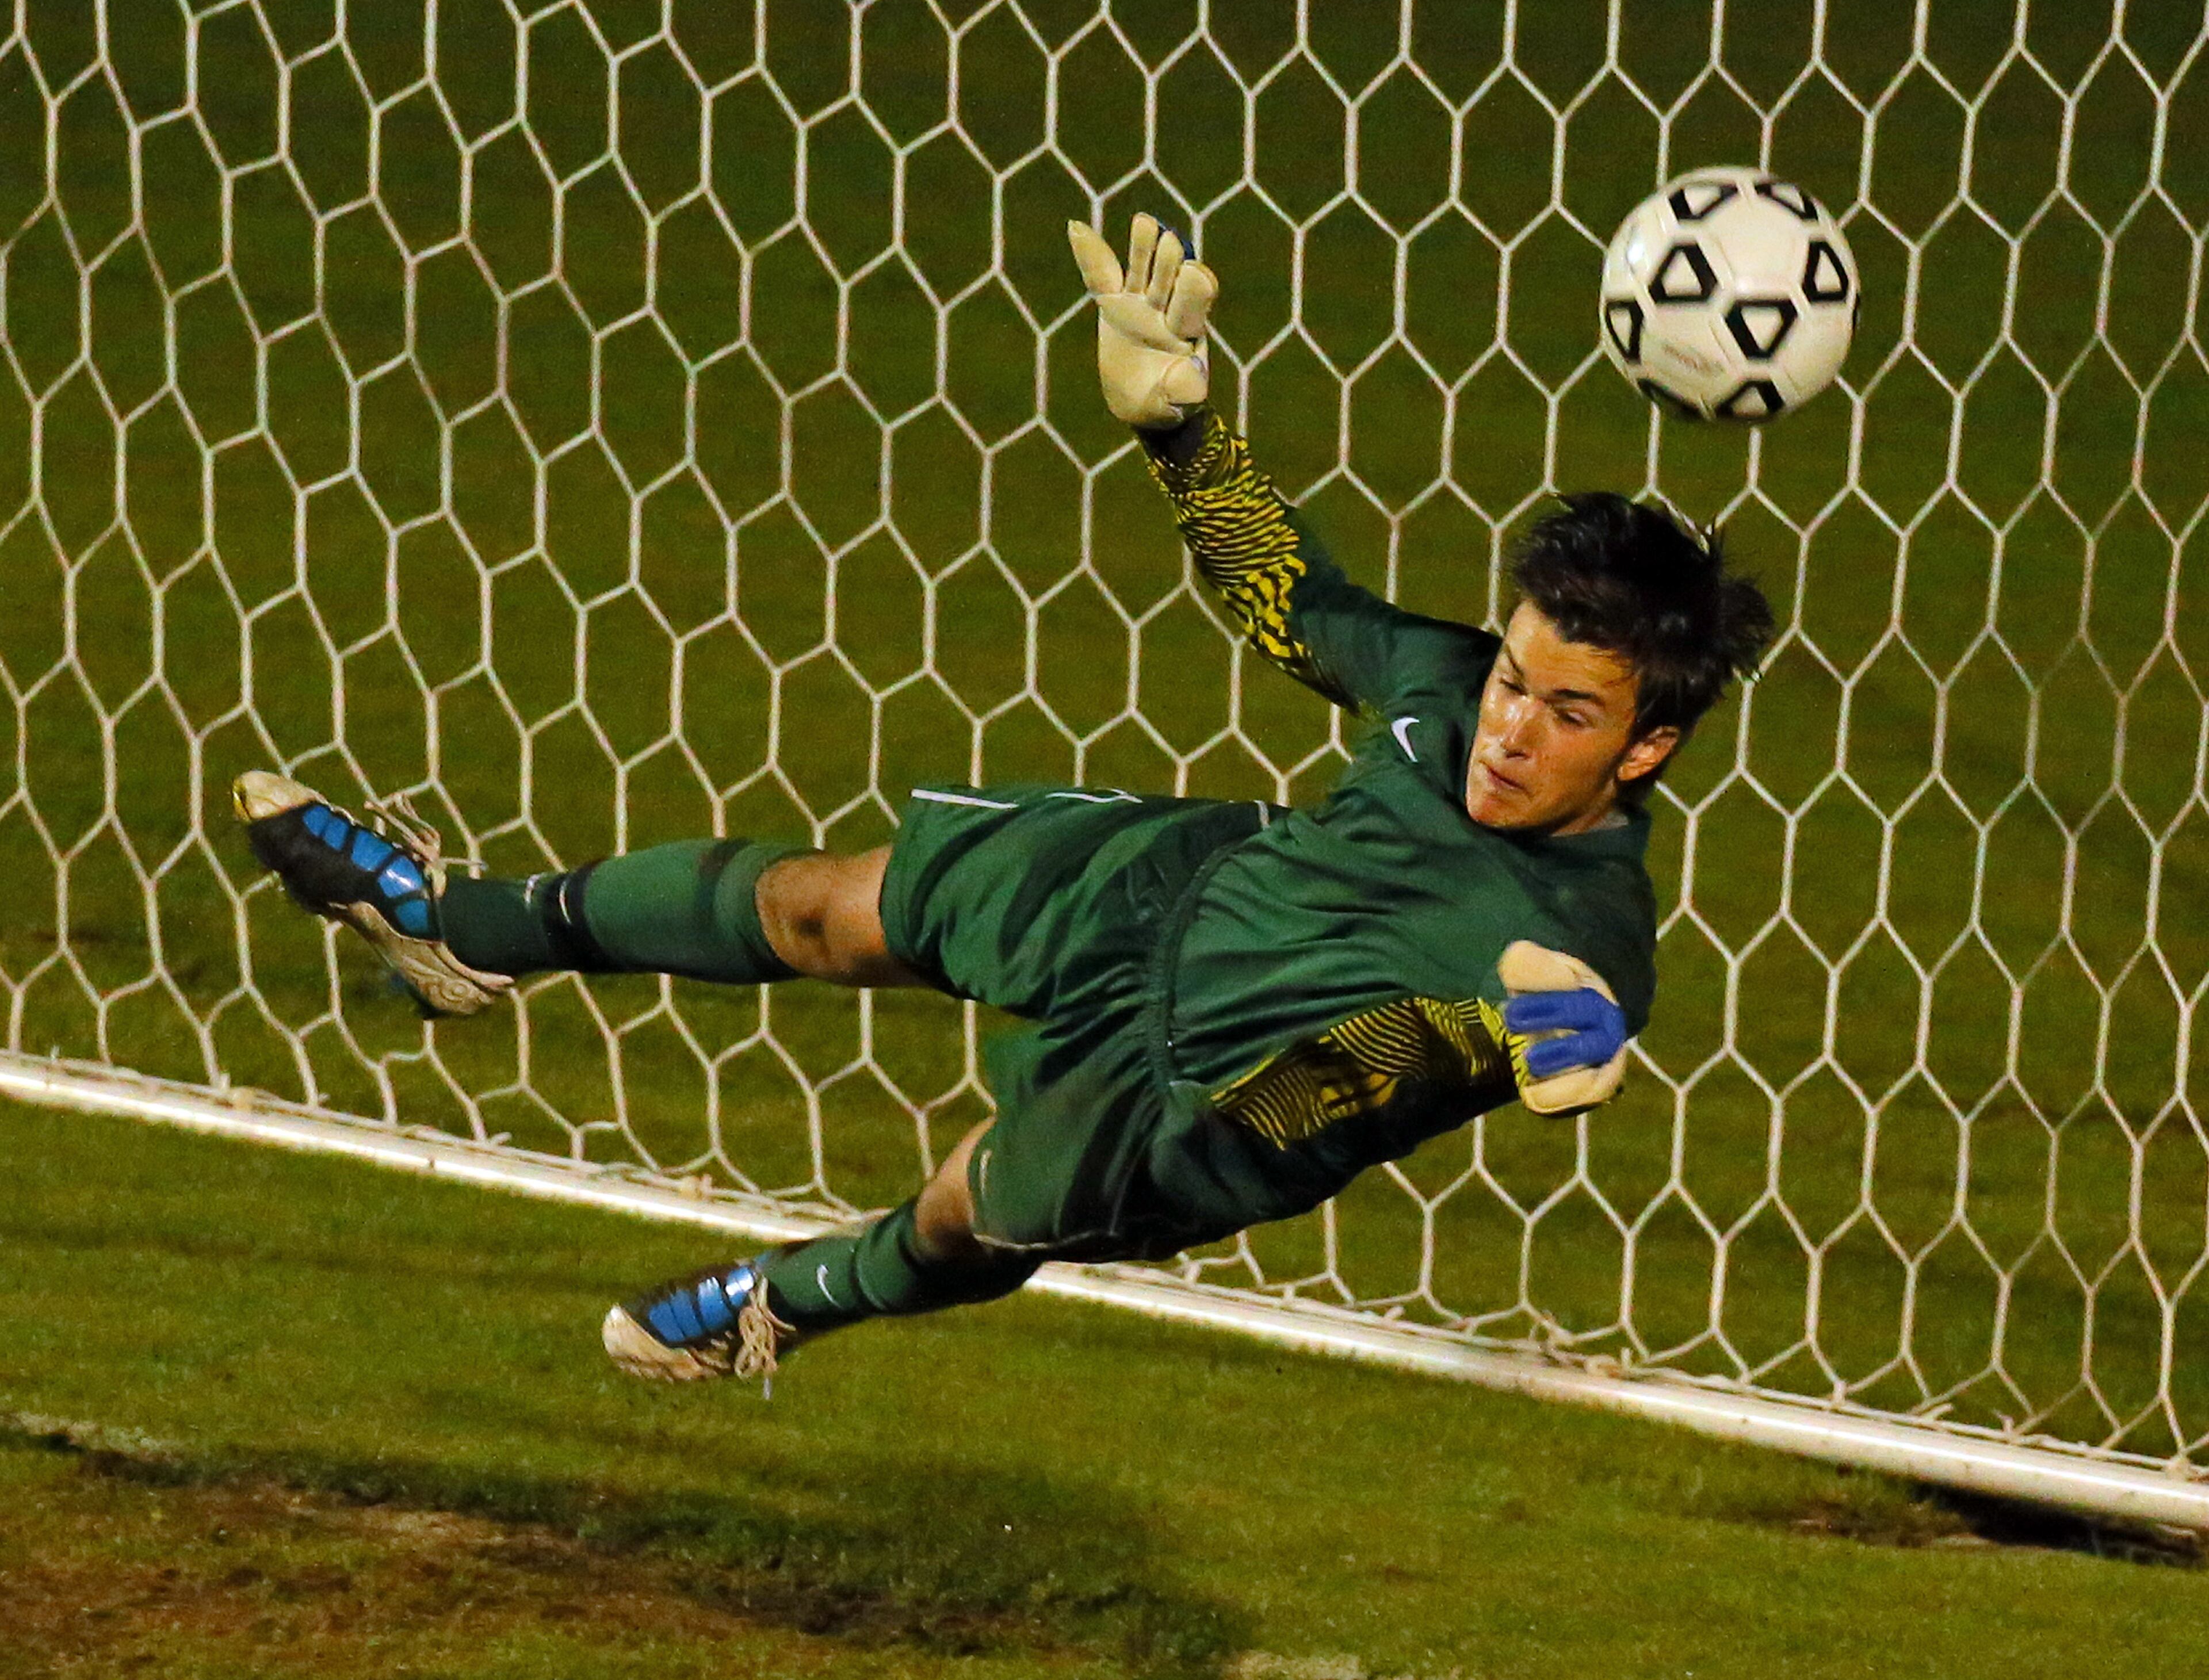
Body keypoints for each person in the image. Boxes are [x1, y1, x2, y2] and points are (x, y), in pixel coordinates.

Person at [233, 215, 1774, 1390]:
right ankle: (457, 927)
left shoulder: (1583, 939)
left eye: (1565, 713)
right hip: (1171, 888)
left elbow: (1405, 1061)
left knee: (972, 1211)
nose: (1507, 726)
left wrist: (1524, 1039)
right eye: (1512, 676)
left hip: (1205, 1103)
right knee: (827, 903)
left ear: (1647, 750)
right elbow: (1290, 599)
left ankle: (787, 1303)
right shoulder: (1448, 689)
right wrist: (1180, 433)